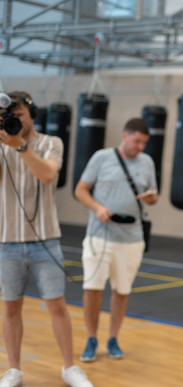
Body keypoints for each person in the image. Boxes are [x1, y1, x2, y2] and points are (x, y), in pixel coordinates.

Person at [0, 91, 93, 386]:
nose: (14, 121)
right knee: (11, 307)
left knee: (56, 305)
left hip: (46, 240)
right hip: (7, 241)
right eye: (8, 117)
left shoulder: (52, 143)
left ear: (32, 115)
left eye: (19, 116)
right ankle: (14, 369)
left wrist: (20, 146)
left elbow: (47, 175)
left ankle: (69, 367)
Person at [74, 117, 158, 363]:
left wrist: (151, 198)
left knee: (122, 290)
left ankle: (113, 338)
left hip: (131, 238)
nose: (140, 147)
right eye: (137, 141)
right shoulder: (101, 158)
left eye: (144, 143)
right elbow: (80, 190)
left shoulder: (147, 162)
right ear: (125, 136)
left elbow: (153, 197)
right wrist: (97, 208)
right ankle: (91, 338)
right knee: (92, 287)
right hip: (100, 235)